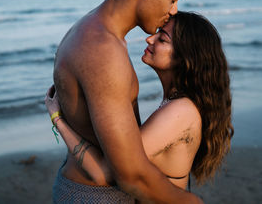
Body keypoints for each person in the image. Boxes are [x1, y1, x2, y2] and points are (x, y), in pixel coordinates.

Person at [49, 0, 203, 203]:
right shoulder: (103, 51)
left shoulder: (91, 30)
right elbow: (130, 175)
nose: (173, 10)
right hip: (97, 197)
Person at [46, 12, 234, 194]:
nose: (150, 39)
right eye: (157, 32)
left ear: (185, 58)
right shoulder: (176, 104)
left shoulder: (181, 111)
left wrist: (58, 120)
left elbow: (105, 173)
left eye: (162, 39)